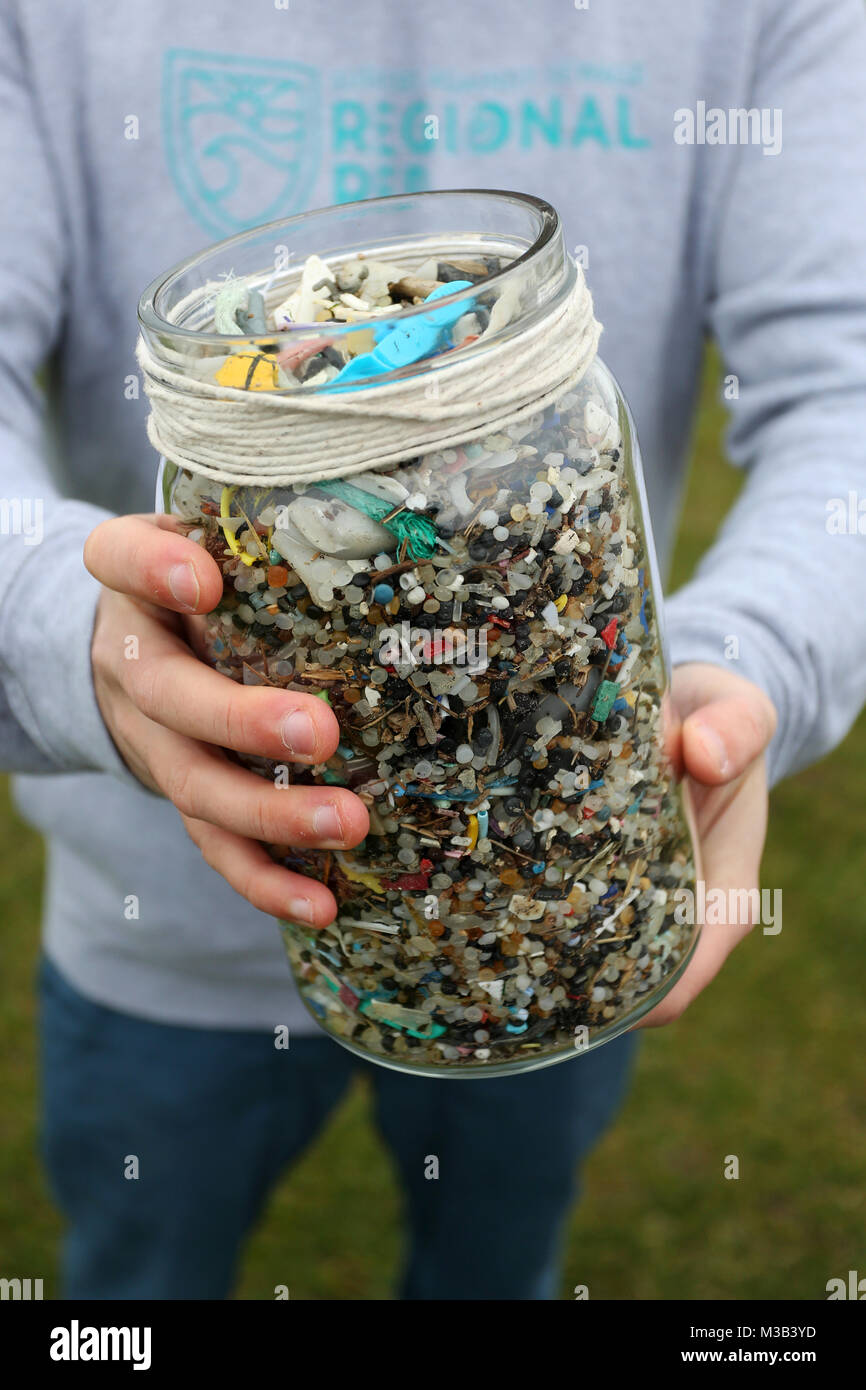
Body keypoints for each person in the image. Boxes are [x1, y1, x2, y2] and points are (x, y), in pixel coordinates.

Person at [2, 0, 865, 1300]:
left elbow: (844, 387)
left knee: (496, 1257)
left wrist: (743, 670)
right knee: (132, 1282)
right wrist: (85, 644)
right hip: (155, 933)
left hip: (557, 910)